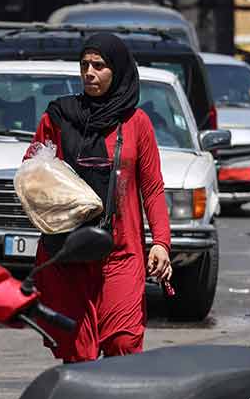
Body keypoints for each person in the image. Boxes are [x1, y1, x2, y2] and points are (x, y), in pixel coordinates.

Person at [26, 33, 172, 362]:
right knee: (79, 353)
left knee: (123, 342)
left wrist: (161, 242)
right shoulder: (58, 117)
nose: (89, 72)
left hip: (122, 254)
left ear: (118, 71)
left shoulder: (137, 123)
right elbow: (32, 172)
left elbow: (152, 187)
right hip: (71, 254)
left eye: (100, 66)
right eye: (85, 65)